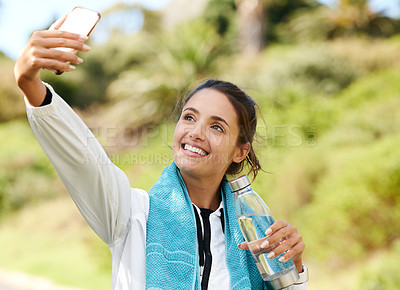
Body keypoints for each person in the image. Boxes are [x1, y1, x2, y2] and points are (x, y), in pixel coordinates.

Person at [14, 17, 308, 290]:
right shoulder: (131, 215)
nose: (195, 132)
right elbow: (84, 160)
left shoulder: (256, 235)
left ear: (240, 152)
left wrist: (295, 270)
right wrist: (31, 86)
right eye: (189, 117)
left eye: (217, 127)